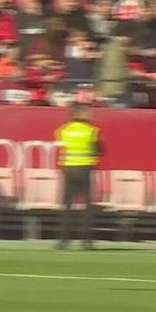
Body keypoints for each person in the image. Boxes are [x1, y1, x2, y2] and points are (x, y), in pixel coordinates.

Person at [55, 102, 104, 250]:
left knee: (67, 206)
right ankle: (87, 241)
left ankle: (63, 241)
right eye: (88, 112)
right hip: (85, 168)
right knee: (87, 206)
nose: (90, 114)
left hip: (68, 169)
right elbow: (99, 150)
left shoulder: (63, 130)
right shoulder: (92, 130)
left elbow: (63, 146)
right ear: (81, 113)